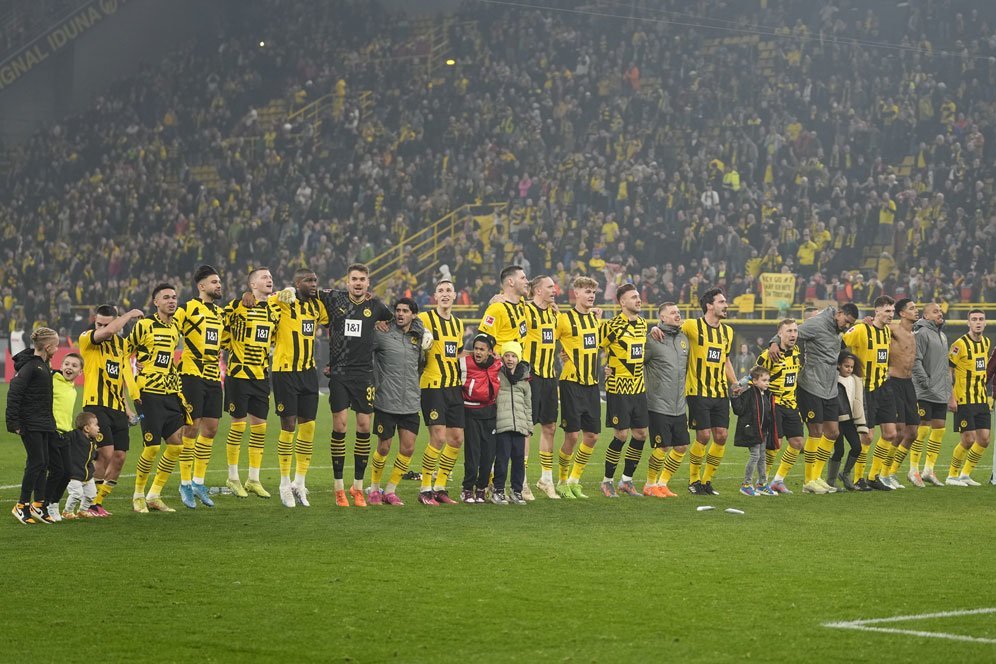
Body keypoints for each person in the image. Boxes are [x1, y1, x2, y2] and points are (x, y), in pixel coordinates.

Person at [319, 263, 393, 507]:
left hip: (364, 374)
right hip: (339, 373)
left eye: (362, 279)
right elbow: (307, 290)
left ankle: (358, 487)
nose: (358, 283)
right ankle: (339, 487)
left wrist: (385, 323)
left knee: (363, 426)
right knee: (339, 427)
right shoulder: (334, 299)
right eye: (354, 279)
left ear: (368, 283)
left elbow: (393, 319)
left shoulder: (376, 306)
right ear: (347, 281)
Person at [766, 303, 858, 494]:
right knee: (815, 432)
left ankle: (816, 476)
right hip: (811, 386)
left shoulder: (838, 327)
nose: (845, 326)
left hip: (830, 387)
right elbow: (793, 333)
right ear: (839, 314)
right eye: (846, 321)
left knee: (832, 433)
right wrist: (774, 342)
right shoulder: (817, 323)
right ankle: (809, 481)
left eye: (849, 324)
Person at [267, 269, 329, 506]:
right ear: (297, 283)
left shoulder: (316, 306)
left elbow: (332, 318)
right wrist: (284, 292)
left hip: (308, 371)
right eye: (308, 281)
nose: (314, 284)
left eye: (315, 280)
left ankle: (299, 483)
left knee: (309, 427)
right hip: (284, 371)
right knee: (288, 425)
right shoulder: (284, 301)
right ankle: (283, 483)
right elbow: (266, 300)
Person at [222, 267, 281, 499]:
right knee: (238, 426)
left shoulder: (275, 310)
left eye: (271, 277)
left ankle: (253, 479)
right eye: (265, 277)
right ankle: (233, 477)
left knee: (260, 428)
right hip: (238, 374)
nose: (270, 279)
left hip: (261, 376)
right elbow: (222, 328)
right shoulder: (238, 305)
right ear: (252, 285)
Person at [129, 283, 187, 513]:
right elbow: (125, 351)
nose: (172, 301)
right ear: (156, 302)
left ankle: (154, 495)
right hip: (148, 394)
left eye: (174, 297)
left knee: (175, 446)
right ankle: (138, 495)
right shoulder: (144, 325)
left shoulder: (175, 328)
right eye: (166, 297)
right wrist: (136, 366)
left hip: (169, 392)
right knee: (151, 447)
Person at [79, 305, 143, 515]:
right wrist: (130, 314)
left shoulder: (122, 346)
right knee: (104, 453)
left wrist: (127, 408)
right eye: (100, 323)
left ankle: (96, 502)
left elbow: (120, 380)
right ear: (94, 322)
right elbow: (108, 331)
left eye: (107, 323)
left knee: (119, 457)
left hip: (117, 408)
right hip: (95, 405)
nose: (103, 327)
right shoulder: (88, 338)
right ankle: (87, 504)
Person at [368, 297, 430, 506]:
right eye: (398, 310)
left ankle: (391, 490)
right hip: (386, 400)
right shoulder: (382, 333)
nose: (400, 314)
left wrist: (425, 331)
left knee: (408, 448)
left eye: (405, 311)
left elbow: (421, 364)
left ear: (413, 314)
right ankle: (375, 488)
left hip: (411, 401)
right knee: (384, 448)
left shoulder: (418, 336)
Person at [478, 264, 532, 499]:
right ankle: (490, 483)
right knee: (498, 432)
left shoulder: (521, 306)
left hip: (518, 377)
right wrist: (496, 365)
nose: (526, 281)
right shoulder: (497, 309)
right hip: (500, 379)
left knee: (519, 431)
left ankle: (517, 484)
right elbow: (484, 340)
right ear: (510, 282)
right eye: (523, 277)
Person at [174, 265, 226, 509]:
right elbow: (169, 329)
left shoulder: (220, 314)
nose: (219, 285)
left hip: (213, 376)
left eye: (219, 282)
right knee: (191, 428)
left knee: (212, 429)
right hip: (191, 373)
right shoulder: (186, 308)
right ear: (201, 286)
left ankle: (197, 481)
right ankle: (184, 483)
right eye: (214, 282)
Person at [679, 288, 737, 496]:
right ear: (709, 306)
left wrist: (734, 382)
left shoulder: (728, 332)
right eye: (721, 302)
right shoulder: (692, 326)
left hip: (720, 392)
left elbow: (726, 360)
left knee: (721, 436)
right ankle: (693, 480)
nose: (726, 305)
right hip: (697, 390)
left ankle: (707, 481)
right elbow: (671, 326)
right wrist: (657, 329)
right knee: (703, 435)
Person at [416, 279, 466, 505]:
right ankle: (425, 488)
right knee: (438, 437)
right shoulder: (425, 319)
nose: (445, 294)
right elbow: (405, 329)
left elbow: (457, 354)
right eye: (441, 291)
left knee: (456, 439)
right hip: (432, 386)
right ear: (434, 296)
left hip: (454, 387)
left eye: (448, 291)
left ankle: (440, 487)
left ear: (454, 296)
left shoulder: (458, 324)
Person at [556, 275, 605, 499]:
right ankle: (562, 481)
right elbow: (549, 342)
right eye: (586, 291)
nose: (591, 295)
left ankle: (575, 480)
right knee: (572, 436)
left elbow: (602, 346)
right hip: (571, 383)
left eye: (593, 291)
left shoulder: (596, 320)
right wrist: (560, 357)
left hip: (592, 384)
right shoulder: (564, 320)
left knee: (592, 436)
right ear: (576, 293)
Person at [599, 283, 648, 498]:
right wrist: (604, 369)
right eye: (633, 297)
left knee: (641, 434)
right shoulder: (612, 326)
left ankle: (626, 481)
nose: (638, 300)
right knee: (621, 435)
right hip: (618, 387)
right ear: (622, 302)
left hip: (638, 387)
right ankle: (607, 481)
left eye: (638, 296)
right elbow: (594, 348)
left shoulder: (644, 324)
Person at [7, 328, 60, 524]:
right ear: (48, 347)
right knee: (36, 463)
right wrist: (13, 422)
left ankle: (38, 505)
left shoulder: (43, 364)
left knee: (44, 463)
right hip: (30, 423)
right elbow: (14, 394)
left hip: (43, 422)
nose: (57, 348)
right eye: (56, 345)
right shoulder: (30, 366)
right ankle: (21, 505)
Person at [757, 319, 817, 493]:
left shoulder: (797, 351)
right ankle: (762, 483)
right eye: (789, 331)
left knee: (798, 442)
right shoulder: (769, 355)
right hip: (774, 403)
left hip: (791, 403)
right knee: (775, 445)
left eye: (795, 331)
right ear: (779, 335)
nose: (793, 335)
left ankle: (778, 480)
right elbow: (755, 375)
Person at [842, 296, 896, 491]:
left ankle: (873, 476)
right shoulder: (861, 329)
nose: (891, 315)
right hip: (865, 389)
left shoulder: (888, 331)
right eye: (888, 311)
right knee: (867, 437)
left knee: (890, 433)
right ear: (877, 311)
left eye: (892, 311)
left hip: (884, 387)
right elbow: (841, 338)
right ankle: (857, 478)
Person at [642, 302, 689, 498]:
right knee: (662, 446)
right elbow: (636, 361)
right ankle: (649, 484)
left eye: (678, 312)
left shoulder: (684, 338)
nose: (677, 315)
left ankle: (663, 483)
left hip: (679, 404)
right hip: (658, 403)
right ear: (662, 317)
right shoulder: (652, 339)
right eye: (672, 313)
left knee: (681, 446)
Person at [523, 274, 560, 499]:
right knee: (527, 429)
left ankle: (546, 479)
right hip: (531, 376)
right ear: (537, 290)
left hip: (549, 377)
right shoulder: (525, 310)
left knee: (550, 427)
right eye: (549, 287)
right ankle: (523, 480)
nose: (554, 290)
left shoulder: (556, 314)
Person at [945, 310, 991, 486]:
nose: (978, 322)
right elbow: (948, 371)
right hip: (964, 398)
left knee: (984, 439)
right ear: (968, 323)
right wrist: (952, 397)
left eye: (981, 319)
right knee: (968, 439)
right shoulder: (960, 344)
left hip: (981, 398)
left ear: (985, 323)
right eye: (974, 320)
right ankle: (951, 476)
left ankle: (965, 474)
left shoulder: (986, 343)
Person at [879, 298, 920, 489]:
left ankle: (892, 472)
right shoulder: (893, 329)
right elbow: (876, 327)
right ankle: (882, 473)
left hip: (908, 383)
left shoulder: (914, 334)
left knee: (912, 432)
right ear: (902, 313)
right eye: (912, 308)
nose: (916, 310)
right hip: (893, 382)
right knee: (899, 430)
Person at [908, 302, 950, 487]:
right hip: (924, 390)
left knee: (939, 428)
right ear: (925, 316)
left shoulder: (941, 335)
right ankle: (913, 470)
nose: (939, 313)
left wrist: (946, 387)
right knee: (922, 429)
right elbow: (915, 360)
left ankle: (928, 470)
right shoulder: (922, 333)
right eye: (935, 311)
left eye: (940, 311)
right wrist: (925, 382)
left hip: (940, 391)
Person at [459, 333, 500, 503]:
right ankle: (467, 489)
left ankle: (481, 488)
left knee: (489, 455)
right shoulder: (464, 363)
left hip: (490, 413)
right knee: (473, 454)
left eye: (482, 349)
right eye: (476, 348)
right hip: (470, 412)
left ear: (490, 351)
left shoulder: (498, 364)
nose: (478, 352)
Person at [43, 353, 85, 522]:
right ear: (60, 366)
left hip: (66, 435)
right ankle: (44, 505)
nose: (69, 367)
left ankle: (53, 504)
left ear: (80, 372)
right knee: (57, 470)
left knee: (68, 473)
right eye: (66, 363)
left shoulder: (73, 389)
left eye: (74, 366)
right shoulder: (53, 380)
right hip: (52, 432)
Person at [494, 340, 533, 505]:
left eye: (513, 356)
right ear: (502, 357)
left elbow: (527, 405)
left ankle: (516, 491)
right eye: (507, 355)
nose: (510, 359)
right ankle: (498, 491)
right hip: (502, 426)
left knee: (519, 461)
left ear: (519, 358)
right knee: (501, 460)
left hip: (520, 426)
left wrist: (529, 426)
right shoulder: (497, 375)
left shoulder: (524, 380)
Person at [732, 366, 778, 496]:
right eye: (764, 380)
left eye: (768, 380)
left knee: (762, 457)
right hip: (752, 431)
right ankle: (746, 485)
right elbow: (738, 410)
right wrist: (735, 396)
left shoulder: (767, 395)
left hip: (763, 432)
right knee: (755, 456)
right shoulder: (749, 394)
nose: (767, 383)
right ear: (755, 381)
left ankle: (762, 484)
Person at [827, 352, 868, 492]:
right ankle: (831, 481)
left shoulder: (856, 379)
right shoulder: (833, 379)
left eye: (851, 366)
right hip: (836, 420)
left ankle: (845, 474)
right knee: (839, 450)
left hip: (850, 420)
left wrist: (861, 421)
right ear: (838, 365)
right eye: (846, 366)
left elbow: (859, 401)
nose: (849, 369)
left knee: (857, 447)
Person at [62, 412, 102, 518]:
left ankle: (82, 511)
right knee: (76, 494)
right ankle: (67, 512)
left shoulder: (92, 440)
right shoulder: (74, 436)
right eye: (96, 425)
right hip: (74, 474)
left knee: (91, 494)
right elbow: (63, 438)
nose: (98, 428)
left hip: (87, 474)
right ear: (87, 428)